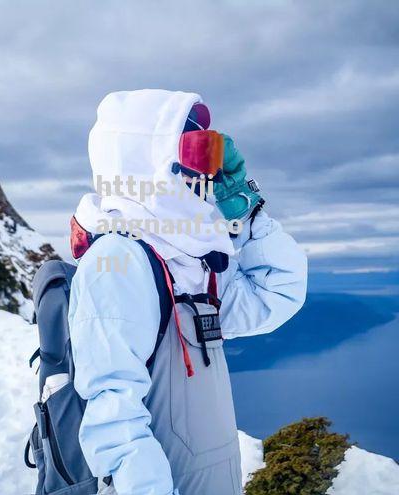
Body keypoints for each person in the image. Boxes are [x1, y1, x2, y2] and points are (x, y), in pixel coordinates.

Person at [68, 89, 307, 495]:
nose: (205, 171)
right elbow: (114, 418)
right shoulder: (119, 261)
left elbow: (277, 292)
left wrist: (243, 207)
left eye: (210, 152)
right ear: (146, 159)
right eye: (196, 150)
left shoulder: (186, 260)